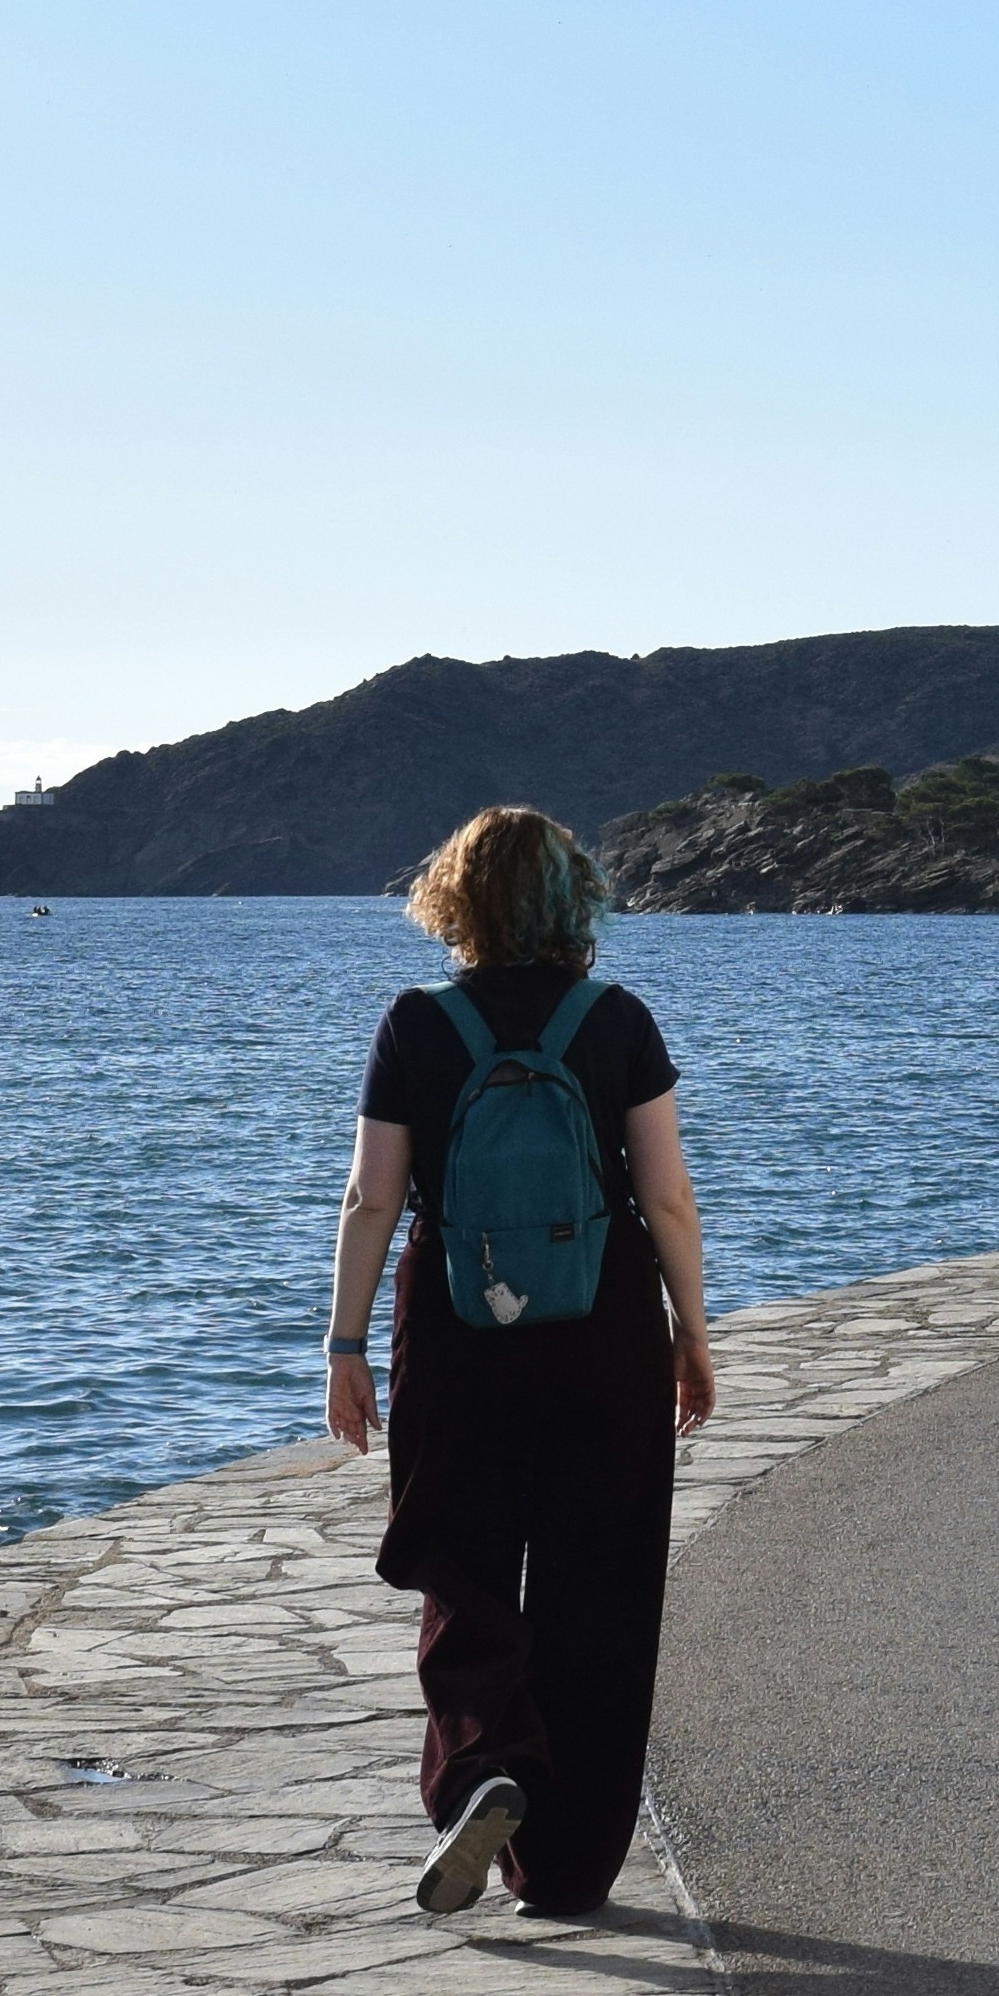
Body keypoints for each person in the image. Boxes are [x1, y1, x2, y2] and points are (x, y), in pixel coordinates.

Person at [323, 805, 717, 1920]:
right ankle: (569, 1866)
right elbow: (668, 1195)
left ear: (454, 900)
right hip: (605, 1335)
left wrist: (344, 1342)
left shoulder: (416, 1023)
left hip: (457, 1331)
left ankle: (485, 1760)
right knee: (603, 1588)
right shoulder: (617, 1018)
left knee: (462, 1565)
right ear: (575, 897)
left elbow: (372, 1196)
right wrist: (690, 1328)